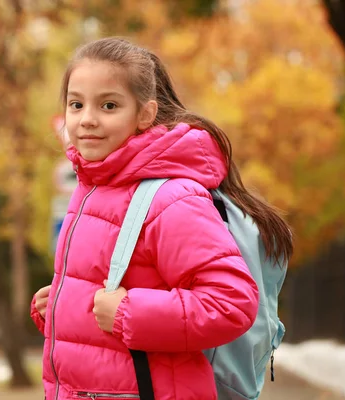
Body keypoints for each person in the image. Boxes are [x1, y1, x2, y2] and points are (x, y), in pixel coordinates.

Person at [30, 37, 293, 400]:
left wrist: (127, 313)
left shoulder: (170, 199)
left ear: (145, 114)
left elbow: (230, 303)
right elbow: (116, 290)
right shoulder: (91, 188)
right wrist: (62, 303)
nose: (87, 119)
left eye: (108, 105)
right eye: (76, 104)